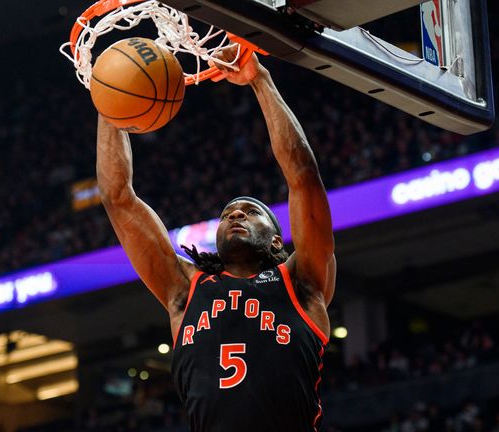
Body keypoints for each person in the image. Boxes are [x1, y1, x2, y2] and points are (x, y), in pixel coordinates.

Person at [95, 45, 336, 431]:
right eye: (227, 214)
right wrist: (109, 103)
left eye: (251, 211)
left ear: (278, 242)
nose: (236, 214)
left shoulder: (302, 281)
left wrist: (260, 80)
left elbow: (303, 176)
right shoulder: (184, 289)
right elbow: (118, 198)